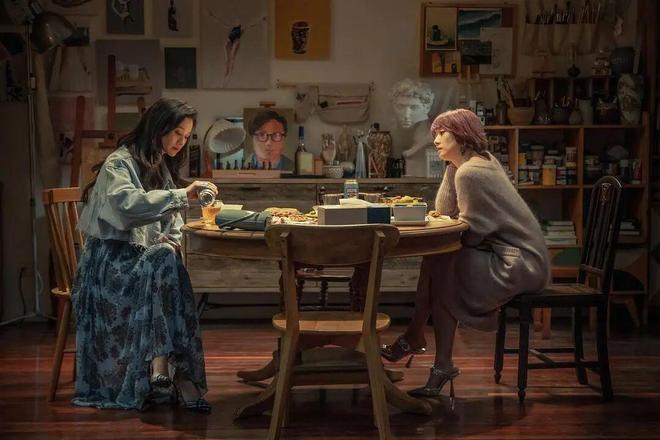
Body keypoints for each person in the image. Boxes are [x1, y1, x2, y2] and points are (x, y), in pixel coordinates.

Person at [381, 109, 550, 398]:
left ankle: (419, 340)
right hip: (518, 257)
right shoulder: (473, 163)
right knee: (438, 259)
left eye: (442, 133)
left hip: (519, 263)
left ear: (461, 135)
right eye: (435, 134)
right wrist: (452, 166)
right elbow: (445, 210)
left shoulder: (472, 172)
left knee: (443, 262)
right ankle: (428, 351)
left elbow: (472, 232)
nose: (436, 139)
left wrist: (457, 170)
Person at [72, 98, 217, 413]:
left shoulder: (159, 163)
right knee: (164, 260)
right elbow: (128, 207)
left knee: (165, 255)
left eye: (186, 136)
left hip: (143, 262)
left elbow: (172, 222)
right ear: (158, 127)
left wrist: (171, 240)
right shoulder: (119, 163)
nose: (181, 141)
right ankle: (177, 375)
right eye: (177, 133)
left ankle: (162, 368)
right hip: (111, 264)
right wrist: (183, 194)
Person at [207, 10, 267, 87]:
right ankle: (225, 77)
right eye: (236, 20)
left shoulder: (241, 29)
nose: (237, 21)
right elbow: (221, 23)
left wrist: (261, 19)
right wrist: (212, 16)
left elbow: (251, 25)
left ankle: (228, 78)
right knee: (227, 61)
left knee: (232, 58)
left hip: (236, 41)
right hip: (230, 41)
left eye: (238, 20)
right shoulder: (232, 27)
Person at [390, 78, 436, 177]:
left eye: (414, 108)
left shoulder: (426, 132)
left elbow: (408, 154)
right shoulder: (401, 131)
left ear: (426, 108)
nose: (406, 115)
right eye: (401, 107)